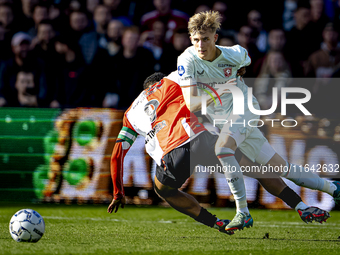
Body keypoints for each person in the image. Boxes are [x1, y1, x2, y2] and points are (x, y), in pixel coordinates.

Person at [107, 72, 330, 235]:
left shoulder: (130, 113)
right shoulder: (173, 78)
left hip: (173, 154)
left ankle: (214, 222)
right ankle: (300, 206)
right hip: (202, 140)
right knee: (257, 169)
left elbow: (117, 154)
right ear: (158, 81)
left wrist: (118, 192)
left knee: (163, 189)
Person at [177, 10, 339, 233]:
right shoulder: (187, 60)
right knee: (282, 169)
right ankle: (333, 187)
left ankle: (242, 212)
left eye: (205, 39)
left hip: (245, 110)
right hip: (226, 122)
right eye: (196, 40)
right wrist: (219, 89)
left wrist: (238, 75)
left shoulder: (234, 53)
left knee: (222, 149)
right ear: (190, 39)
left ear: (215, 38)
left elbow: (245, 60)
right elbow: (192, 104)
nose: (200, 45)